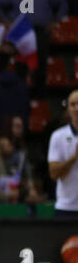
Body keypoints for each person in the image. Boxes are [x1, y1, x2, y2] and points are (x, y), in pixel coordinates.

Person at [48, 88, 78, 217]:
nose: (77, 108)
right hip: (66, 208)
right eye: (73, 104)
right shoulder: (58, 136)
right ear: (68, 109)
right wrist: (74, 158)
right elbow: (54, 174)